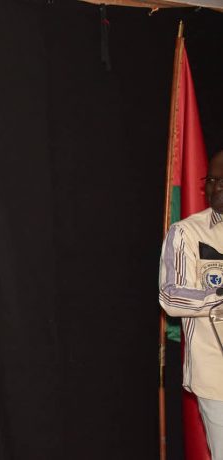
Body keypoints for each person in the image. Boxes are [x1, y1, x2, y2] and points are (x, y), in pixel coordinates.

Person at [159, 149, 223, 459]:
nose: (216, 187)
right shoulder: (186, 232)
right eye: (211, 180)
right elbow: (170, 297)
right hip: (216, 378)